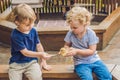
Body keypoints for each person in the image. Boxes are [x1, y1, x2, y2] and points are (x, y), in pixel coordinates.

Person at [61, 6, 112, 80]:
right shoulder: (70, 33)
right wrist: (66, 50)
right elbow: (66, 45)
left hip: (94, 60)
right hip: (80, 63)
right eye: (71, 27)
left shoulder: (91, 34)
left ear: (85, 24)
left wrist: (77, 51)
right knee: (87, 78)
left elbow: (92, 51)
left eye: (75, 27)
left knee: (107, 76)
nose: (72, 29)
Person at [6, 4, 52, 80]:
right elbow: (25, 52)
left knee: (37, 77)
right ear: (17, 22)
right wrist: (40, 54)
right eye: (27, 25)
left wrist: (44, 61)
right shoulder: (15, 35)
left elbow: (39, 46)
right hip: (16, 64)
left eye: (32, 23)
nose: (31, 26)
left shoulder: (33, 31)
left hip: (31, 62)